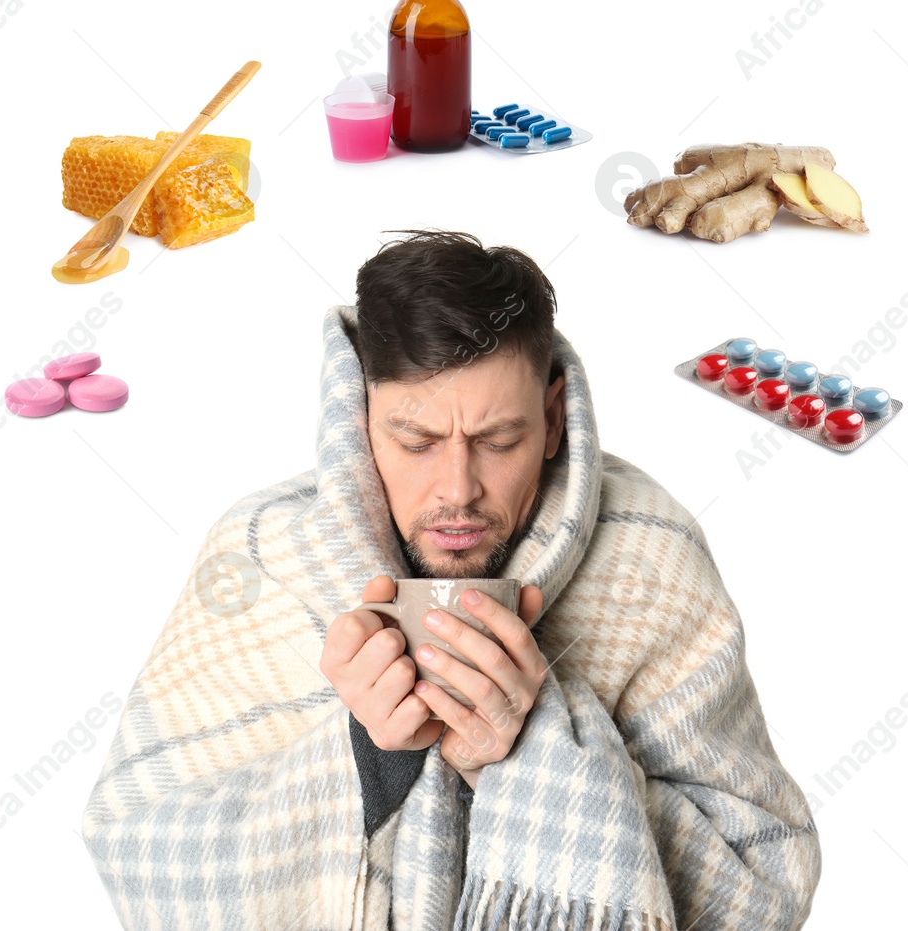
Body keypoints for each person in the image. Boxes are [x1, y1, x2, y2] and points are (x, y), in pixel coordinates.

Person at [83, 231, 821, 930]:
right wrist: (373, 758)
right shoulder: (263, 550)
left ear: (555, 420)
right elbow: (137, 848)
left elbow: (767, 875)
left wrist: (528, 747)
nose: (458, 489)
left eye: (499, 440)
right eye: (417, 441)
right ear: (360, 421)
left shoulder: (650, 551)